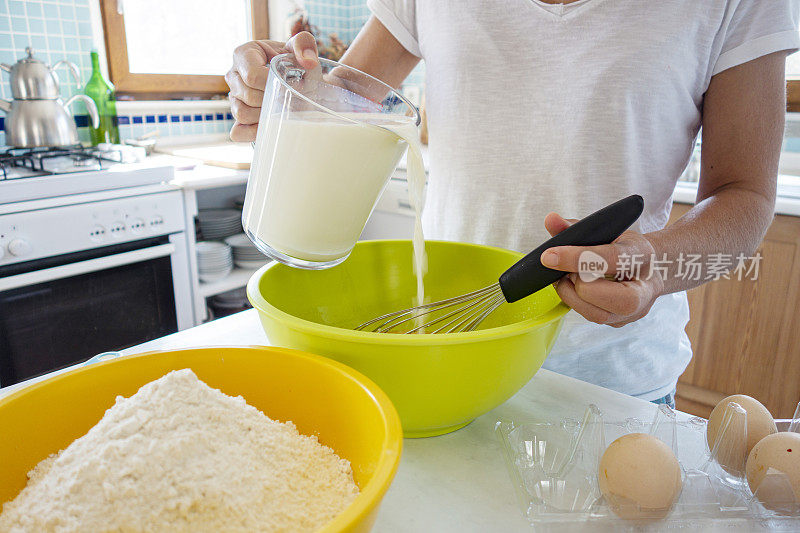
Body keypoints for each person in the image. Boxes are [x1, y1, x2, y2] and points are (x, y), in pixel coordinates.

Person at [226, 0, 799, 407]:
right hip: (444, 361)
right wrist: (276, 91)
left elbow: (744, 195)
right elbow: (342, 103)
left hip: (608, 379)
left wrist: (651, 263)